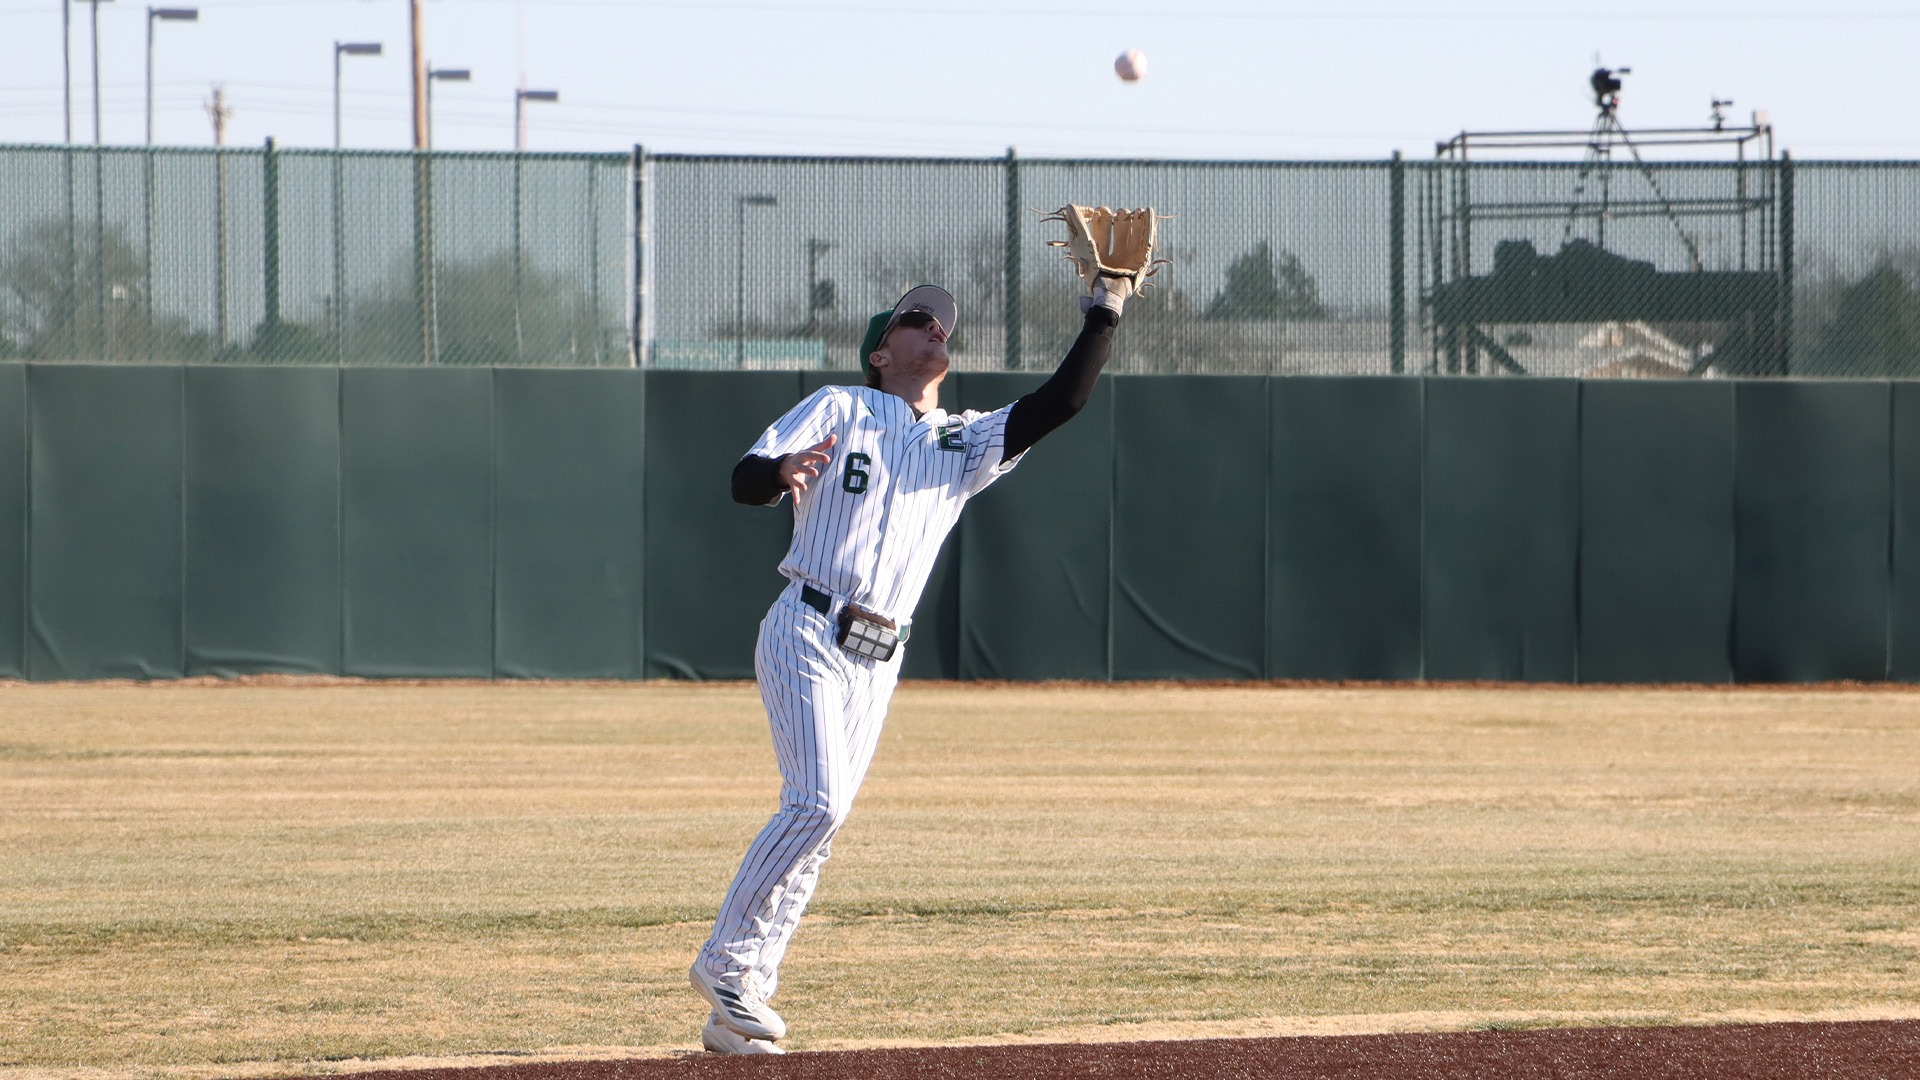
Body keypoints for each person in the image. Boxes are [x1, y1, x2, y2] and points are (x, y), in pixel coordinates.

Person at [687, 277, 1132, 1054]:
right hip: (809, 626)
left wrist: (1105, 312)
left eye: (945, 326)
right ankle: (725, 963)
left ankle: (740, 1005)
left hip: (877, 656)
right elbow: (741, 479)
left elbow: (1060, 403)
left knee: (822, 828)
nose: (937, 330)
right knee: (817, 804)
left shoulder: (961, 443)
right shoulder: (840, 406)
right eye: (918, 320)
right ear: (882, 349)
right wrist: (779, 471)